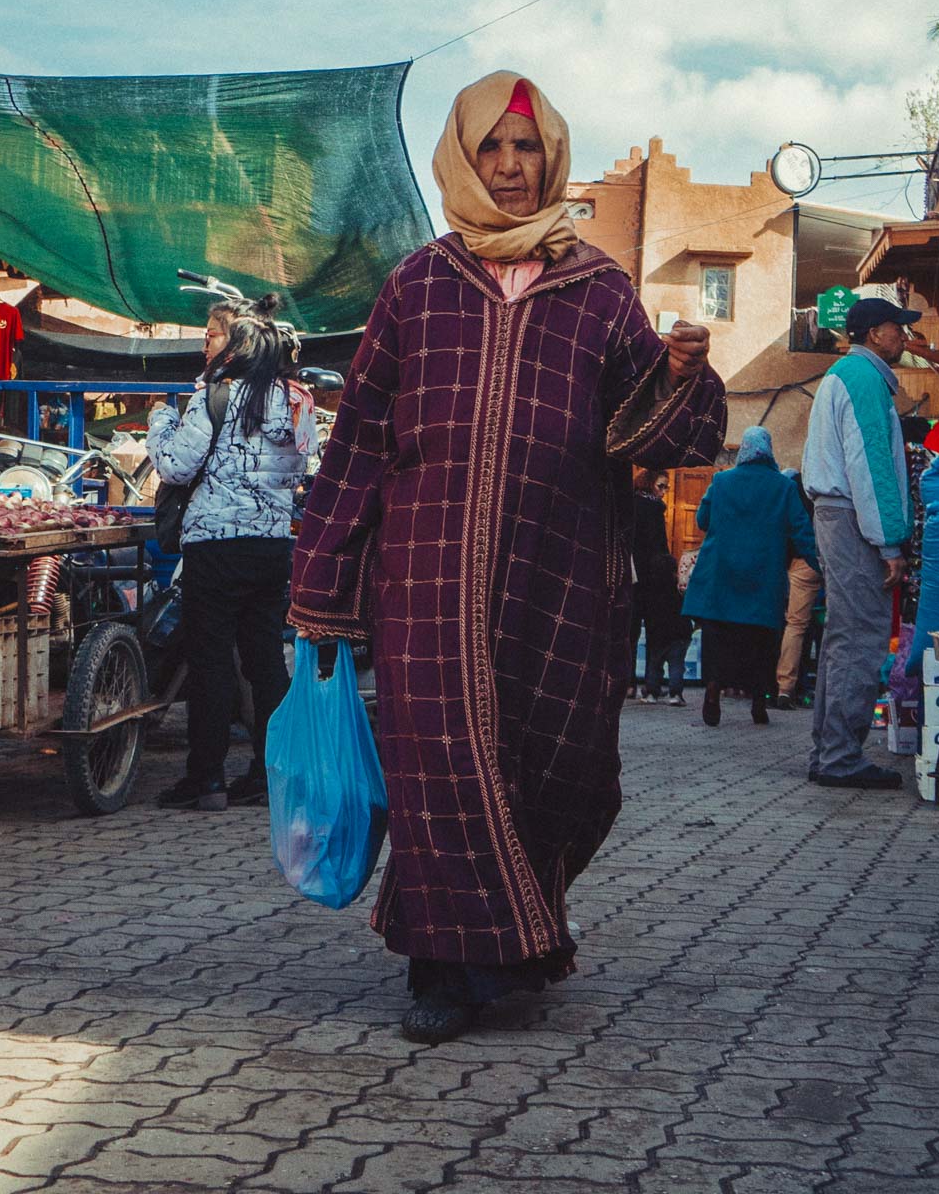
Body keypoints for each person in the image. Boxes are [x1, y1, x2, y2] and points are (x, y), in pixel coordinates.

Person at [289, 71, 726, 1045]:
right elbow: (358, 436)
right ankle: (438, 966)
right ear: (463, 157)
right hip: (425, 578)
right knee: (440, 763)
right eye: (491, 147)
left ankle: (520, 938)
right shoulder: (415, 286)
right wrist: (321, 578)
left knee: (562, 767)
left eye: (526, 148)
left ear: (551, 158)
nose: (510, 166)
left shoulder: (599, 291)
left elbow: (652, 435)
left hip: (559, 577)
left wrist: (683, 374)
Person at [147, 295, 317, 811]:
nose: (206, 350)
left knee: (212, 661)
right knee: (266, 661)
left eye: (212, 339)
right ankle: (270, 775)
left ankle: (206, 779)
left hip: (216, 546)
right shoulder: (298, 400)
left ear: (237, 345)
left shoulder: (214, 397)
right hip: (272, 546)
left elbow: (176, 466)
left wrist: (159, 421)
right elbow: (300, 465)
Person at [801, 297, 918, 790]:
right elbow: (872, 469)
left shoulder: (845, 376)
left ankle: (830, 752)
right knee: (859, 637)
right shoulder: (865, 379)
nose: (904, 338)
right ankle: (841, 758)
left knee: (842, 637)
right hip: (851, 517)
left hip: (836, 514)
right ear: (874, 332)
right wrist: (890, 543)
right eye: (898, 328)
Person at [684, 426, 817, 727]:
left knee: (718, 639)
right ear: (768, 451)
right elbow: (801, 530)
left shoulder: (721, 481)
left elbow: (703, 520)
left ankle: (713, 692)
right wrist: (820, 564)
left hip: (721, 576)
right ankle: (759, 704)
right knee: (760, 643)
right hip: (762, 579)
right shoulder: (782, 487)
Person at [774, 469, 820, 709]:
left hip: (801, 563)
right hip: (835, 556)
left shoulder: (792, 488)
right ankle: (830, 689)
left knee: (795, 625)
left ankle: (785, 686)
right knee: (838, 626)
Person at [628, 470, 674, 701]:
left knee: (630, 631)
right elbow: (659, 545)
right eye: (661, 486)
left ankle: (627, 683)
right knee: (655, 632)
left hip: (632, 576)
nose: (664, 492)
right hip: (653, 578)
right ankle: (652, 684)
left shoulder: (630, 504)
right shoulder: (654, 508)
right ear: (649, 485)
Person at [643, 551, 693, 706]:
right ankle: (675, 694)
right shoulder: (679, 591)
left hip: (657, 635)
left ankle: (652, 693)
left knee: (654, 665)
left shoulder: (651, 593)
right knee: (677, 665)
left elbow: (647, 612)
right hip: (678, 635)